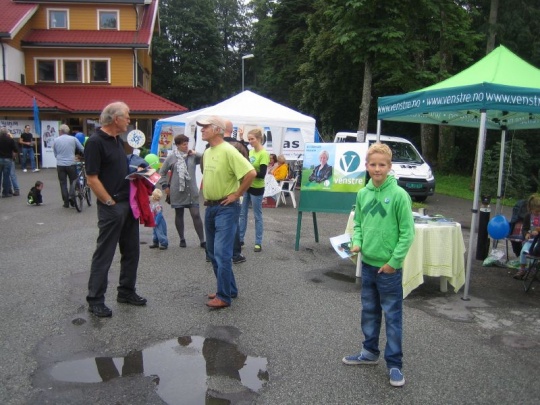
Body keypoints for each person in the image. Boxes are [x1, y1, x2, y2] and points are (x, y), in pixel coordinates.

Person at [342, 142, 415, 388]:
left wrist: (394, 263)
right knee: (370, 311)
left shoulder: (399, 195)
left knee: (392, 316)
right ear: (366, 166)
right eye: (372, 164)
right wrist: (357, 243)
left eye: (382, 164)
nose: (377, 169)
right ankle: (369, 353)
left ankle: (394, 364)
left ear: (389, 166)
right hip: (369, 265)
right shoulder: (363, 194)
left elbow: (407, 233)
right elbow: (359, 224)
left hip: (388, 269)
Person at [84, 101, 147, 318]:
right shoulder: (95, 142)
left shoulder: (117, 141)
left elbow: (117, 168)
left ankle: (126, 292)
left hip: (128, 204)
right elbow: (92, 178)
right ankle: (95, 299)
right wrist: (108, 201)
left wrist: (138, 172)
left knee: (131, 251)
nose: (129, 120)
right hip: (112, 206)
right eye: (127, 116)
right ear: (115, 119)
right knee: (105, 254)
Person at [198, 115, 256, 309]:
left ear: (216, 129)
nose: (202, 130)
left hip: (226, 208)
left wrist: (237, 194)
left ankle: (224, 296)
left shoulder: (229, 150)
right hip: (212, 206)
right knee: (213, 251)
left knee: (222, 253)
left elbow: (251, 173)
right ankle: (228, 289)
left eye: (205, 127)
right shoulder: (208, 152)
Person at [158, 134, 205, 248]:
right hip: (177, 190)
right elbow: (162, 172)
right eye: (184, 144)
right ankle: (182, 238)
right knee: (179, 214)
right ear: (178, 145)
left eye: (187, 144)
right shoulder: (171, 157)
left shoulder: (192, 156)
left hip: (191, 190)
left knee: (196, 214)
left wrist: (194, 152)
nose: (186, 146)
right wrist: (165, 186)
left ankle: (202, 240)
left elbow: (206, 157)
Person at [239, 128, 269, 253]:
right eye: (249, 139)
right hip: (247, 186)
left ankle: (258, 242)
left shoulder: (263, 154)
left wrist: (250, 172)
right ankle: (240, 239)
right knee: (242, 214)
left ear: (259, 139)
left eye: (252, 139)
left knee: (257, 216)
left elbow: (262, 174)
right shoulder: (250, 152)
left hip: (257, 187)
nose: (250, 141)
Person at [53, 124, 85, 208]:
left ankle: (66, 202)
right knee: (73, 181)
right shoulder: (73, 139)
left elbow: (55, 153)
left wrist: (59, 158)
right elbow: (82, 149)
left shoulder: (56, 140)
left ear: (60, 131)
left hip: (60, 164)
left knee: (63, 183)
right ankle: (72, 197)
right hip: (71, 163)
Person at [513, 194, 540, 279]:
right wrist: (527, 234)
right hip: (531, 240)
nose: (538, 213)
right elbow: (524, 228)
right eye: (536, 211)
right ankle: (522, 269)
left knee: (535, 252)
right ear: (531, 209)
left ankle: (533, 269)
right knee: (523, 251)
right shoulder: (528, 216)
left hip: (538, 241)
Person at [0, 127, 19, 197]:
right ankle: (5, 192)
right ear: (7, 133)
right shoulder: (10, 140)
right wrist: (13, 155)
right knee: (6, 177)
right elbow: (16, 149)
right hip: (8, 159)